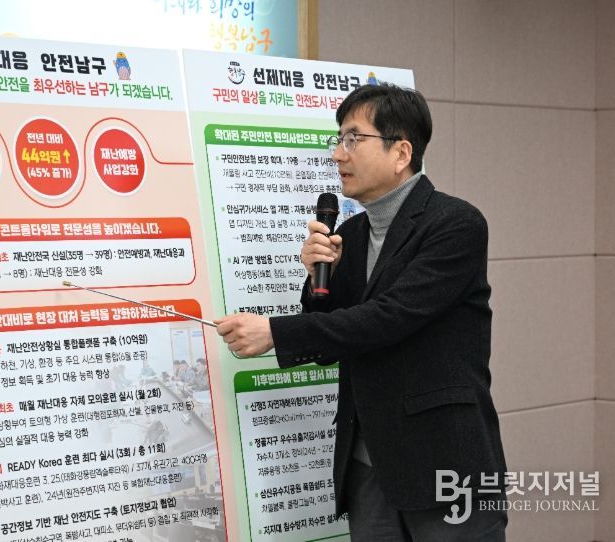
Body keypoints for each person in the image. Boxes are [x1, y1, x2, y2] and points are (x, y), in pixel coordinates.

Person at [216, 83, 507, 541]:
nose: (338, 154)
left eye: (353, 139)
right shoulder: (349, 234)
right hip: (368, 465)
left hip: (443, 460)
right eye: (338, 139)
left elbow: (389, 318)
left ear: (401, 152)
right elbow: (334, 342)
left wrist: (275, 332)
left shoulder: (455, 224)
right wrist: (317, 281)